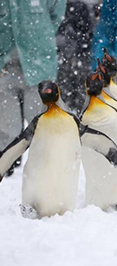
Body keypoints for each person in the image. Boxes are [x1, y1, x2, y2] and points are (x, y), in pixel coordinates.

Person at [0, 0, 66, 175]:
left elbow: (56, 14)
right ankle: (6, 167)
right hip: (4, 66)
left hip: (38, 65)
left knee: (40, 122)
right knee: (7, 127)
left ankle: (48, 167)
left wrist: (41, 37)